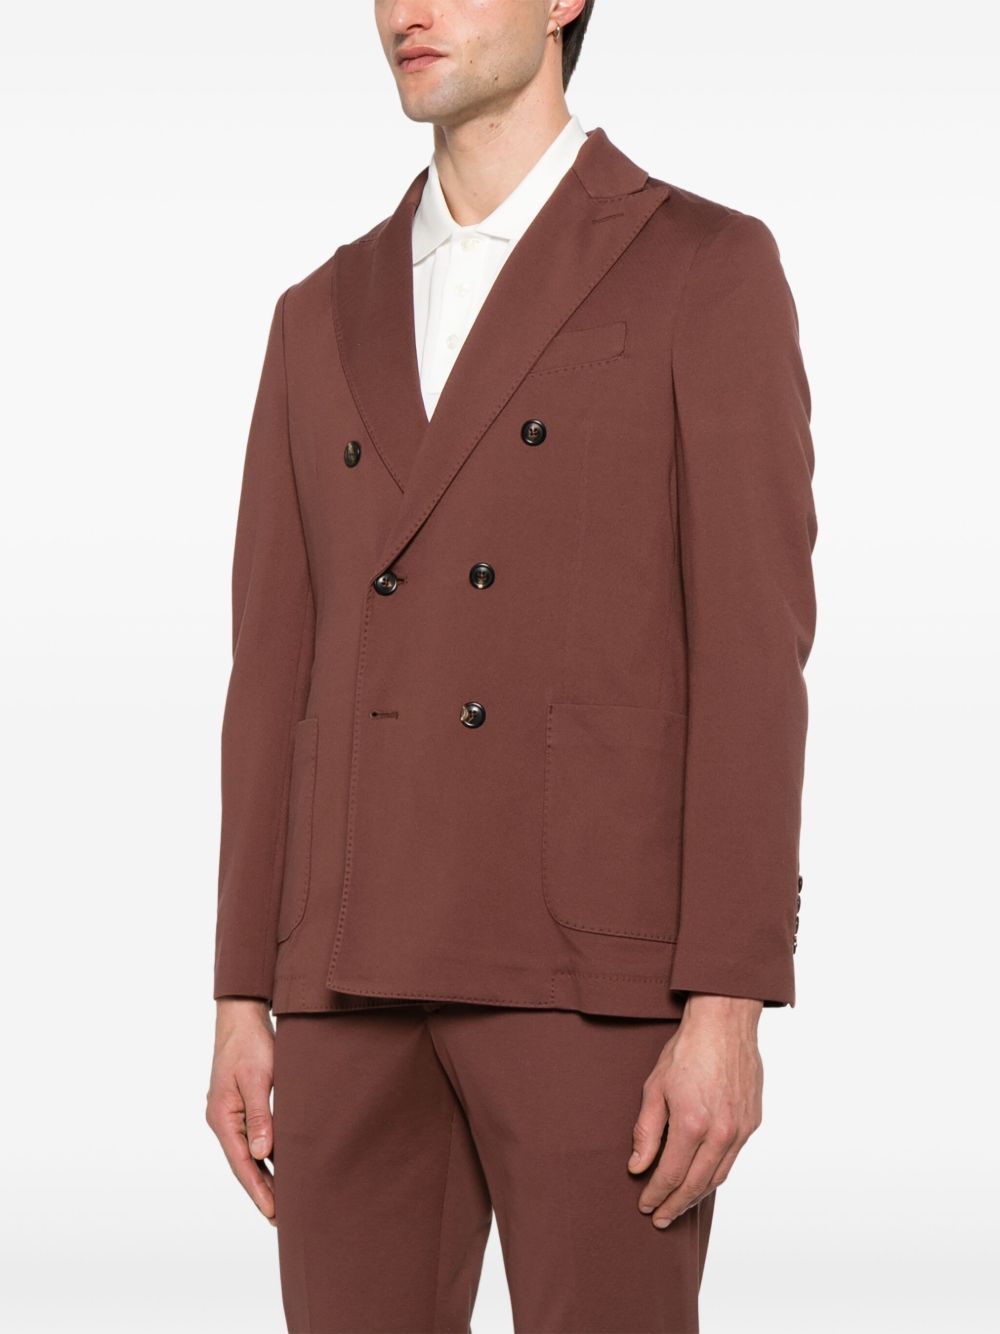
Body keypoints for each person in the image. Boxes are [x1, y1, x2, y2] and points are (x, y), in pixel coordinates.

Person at [205, 2, 818, 1330]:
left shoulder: (704, 265)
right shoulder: (318, 313)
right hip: (348, 966)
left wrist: (729, 1001)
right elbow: (271, 674)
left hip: (593, 971)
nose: (405, 9)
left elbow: (754, 659)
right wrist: (243, 989)